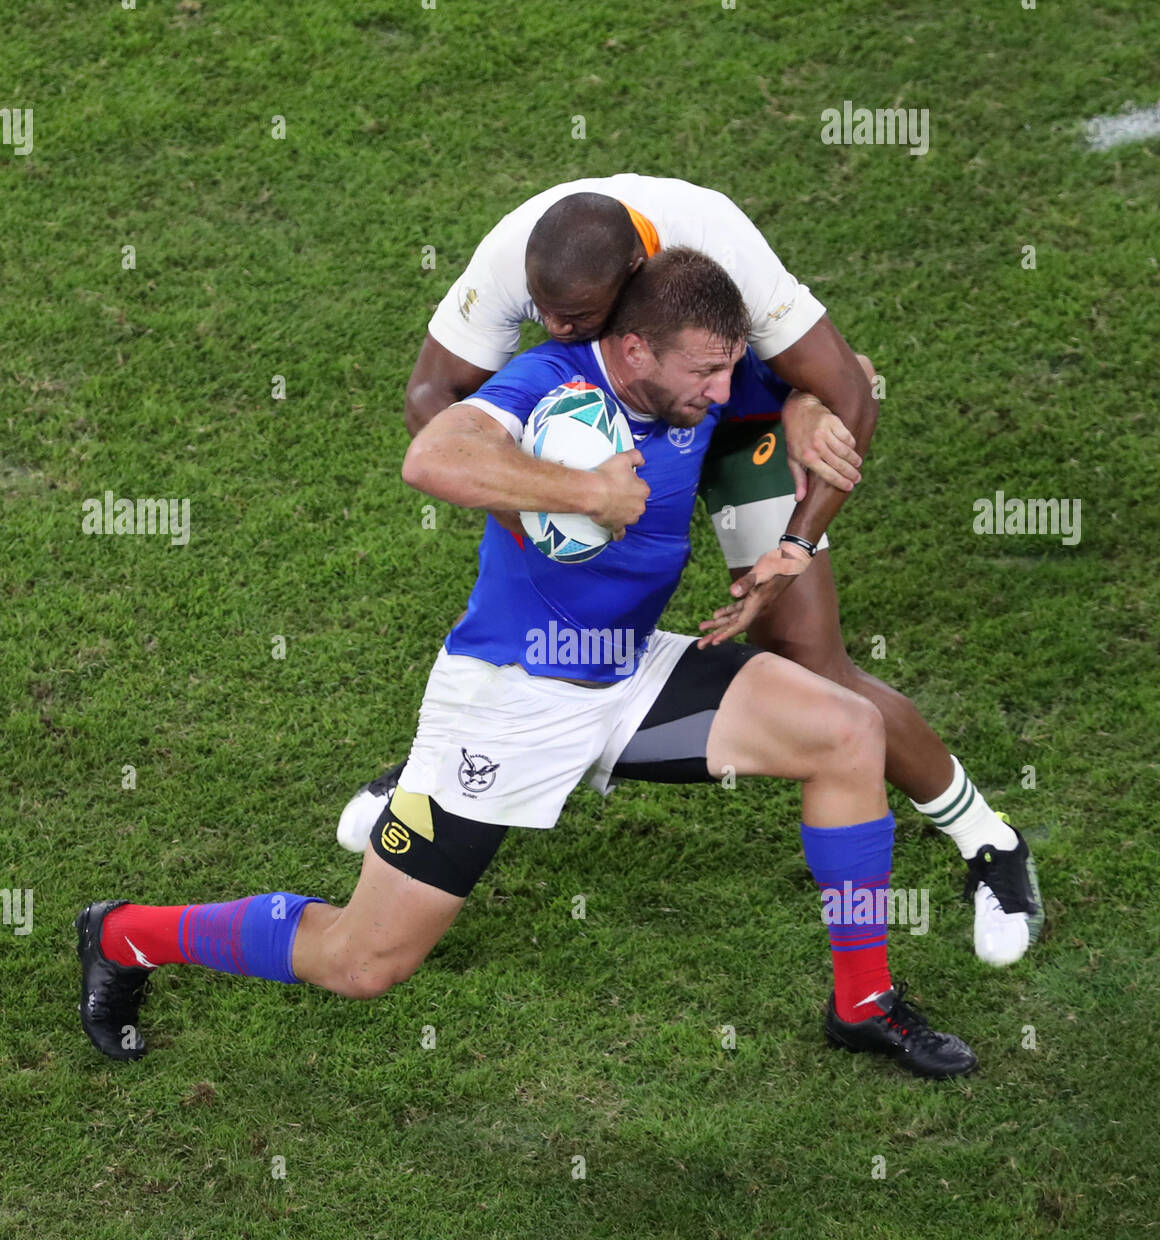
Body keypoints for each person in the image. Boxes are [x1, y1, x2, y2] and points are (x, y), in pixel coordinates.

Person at [78, 249, 975, 1079]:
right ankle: (124, 935)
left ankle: (862, 1002)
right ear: (631, 349)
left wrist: (804, 406)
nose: (722, 384)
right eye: (704, 369)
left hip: (627, 673)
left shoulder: (703, 378)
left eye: (731, 363)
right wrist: (590, 493)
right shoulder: (546, 382)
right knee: (362, 961)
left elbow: (842, 377)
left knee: (846, 730)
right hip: (506, 704)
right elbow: (432, 455)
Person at [342, 174, 1044, 965]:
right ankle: (446, 768)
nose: (555, 328)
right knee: (544, 611)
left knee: (810, 662)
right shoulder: (525, 257)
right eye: (547, 314)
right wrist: (544, 510)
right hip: (606, 432)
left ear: (638, 284)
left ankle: (989, 841)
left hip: (728, 420)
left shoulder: (719, 243)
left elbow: (848, 381)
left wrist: (796, 505)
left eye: (577, 318)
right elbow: (432, 396)